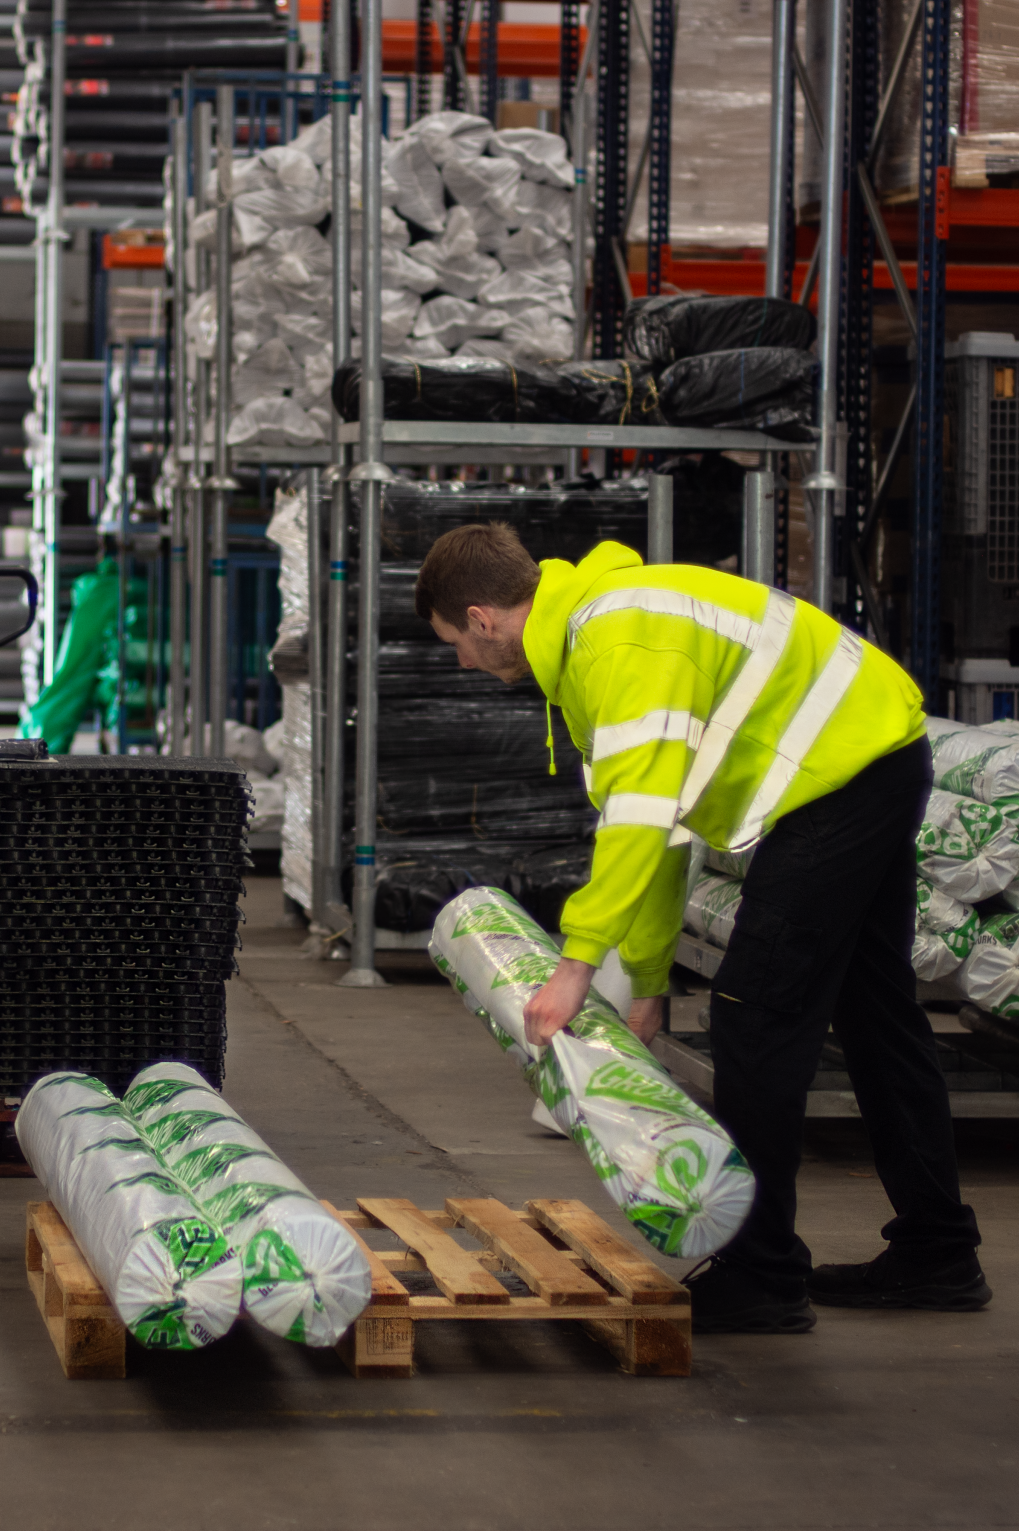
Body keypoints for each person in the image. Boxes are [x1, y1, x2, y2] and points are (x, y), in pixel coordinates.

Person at [416, 521, 986, 1334]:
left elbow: (639, 822)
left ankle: (763, 1273)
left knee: (755, 1018)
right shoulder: (596, 633)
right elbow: (661, 825)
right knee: (875, 1012)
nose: (463, 664)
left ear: (481, 617)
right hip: (872, 755)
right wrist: (647, 982)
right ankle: (938, 1250)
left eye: (456, 645)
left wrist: (576, 968)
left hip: (840, 780)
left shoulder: (614, 641)